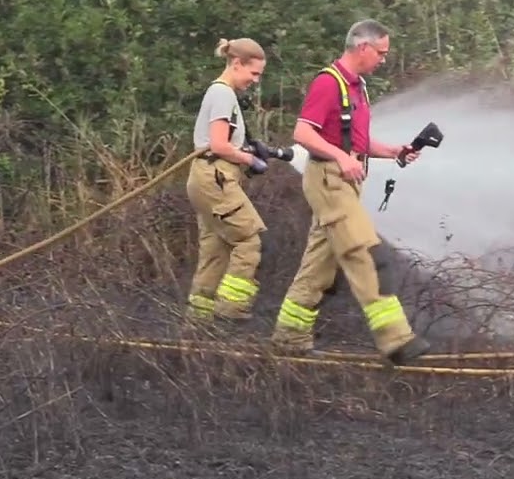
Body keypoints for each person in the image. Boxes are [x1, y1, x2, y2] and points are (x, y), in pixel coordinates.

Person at [269, 19, 431, 365]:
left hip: (344, 183)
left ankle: (289, 337)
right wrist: (342, 158)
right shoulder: (329, 83)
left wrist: (392, 151)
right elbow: (303, 133)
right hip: (329, 181)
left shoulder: (357, 87)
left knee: (318, 265)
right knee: (366, 253)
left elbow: (352, 140)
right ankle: (396, 340)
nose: (383, 60)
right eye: (381, 53)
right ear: (363, 47)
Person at [183, 37, 272, 327]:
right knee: (248, 240)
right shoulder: (222, 94)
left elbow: (219, 143)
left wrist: (247, 149)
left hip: (205, 178)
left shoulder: (220, 93)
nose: (255, 81)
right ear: (236, 64)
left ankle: (198, 325)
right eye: (253, 73)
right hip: (215, 178)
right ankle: (230, 312)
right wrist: (249, 160)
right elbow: (219, 146)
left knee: (215, 252)